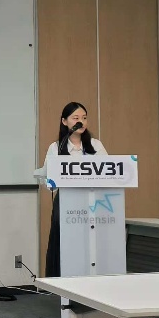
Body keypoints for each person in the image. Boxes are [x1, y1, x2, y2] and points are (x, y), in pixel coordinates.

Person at [44, 102, 108, 277]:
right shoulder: (56, 147)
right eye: (76, 118)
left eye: (84, 118)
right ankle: (63, 281)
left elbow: (109, 173)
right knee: (66, 242)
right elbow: (49, 182)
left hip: (92, 200)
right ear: (64, 121)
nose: (81, 121)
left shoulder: (96, 145)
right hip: (66, 201)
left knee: (90, 242)